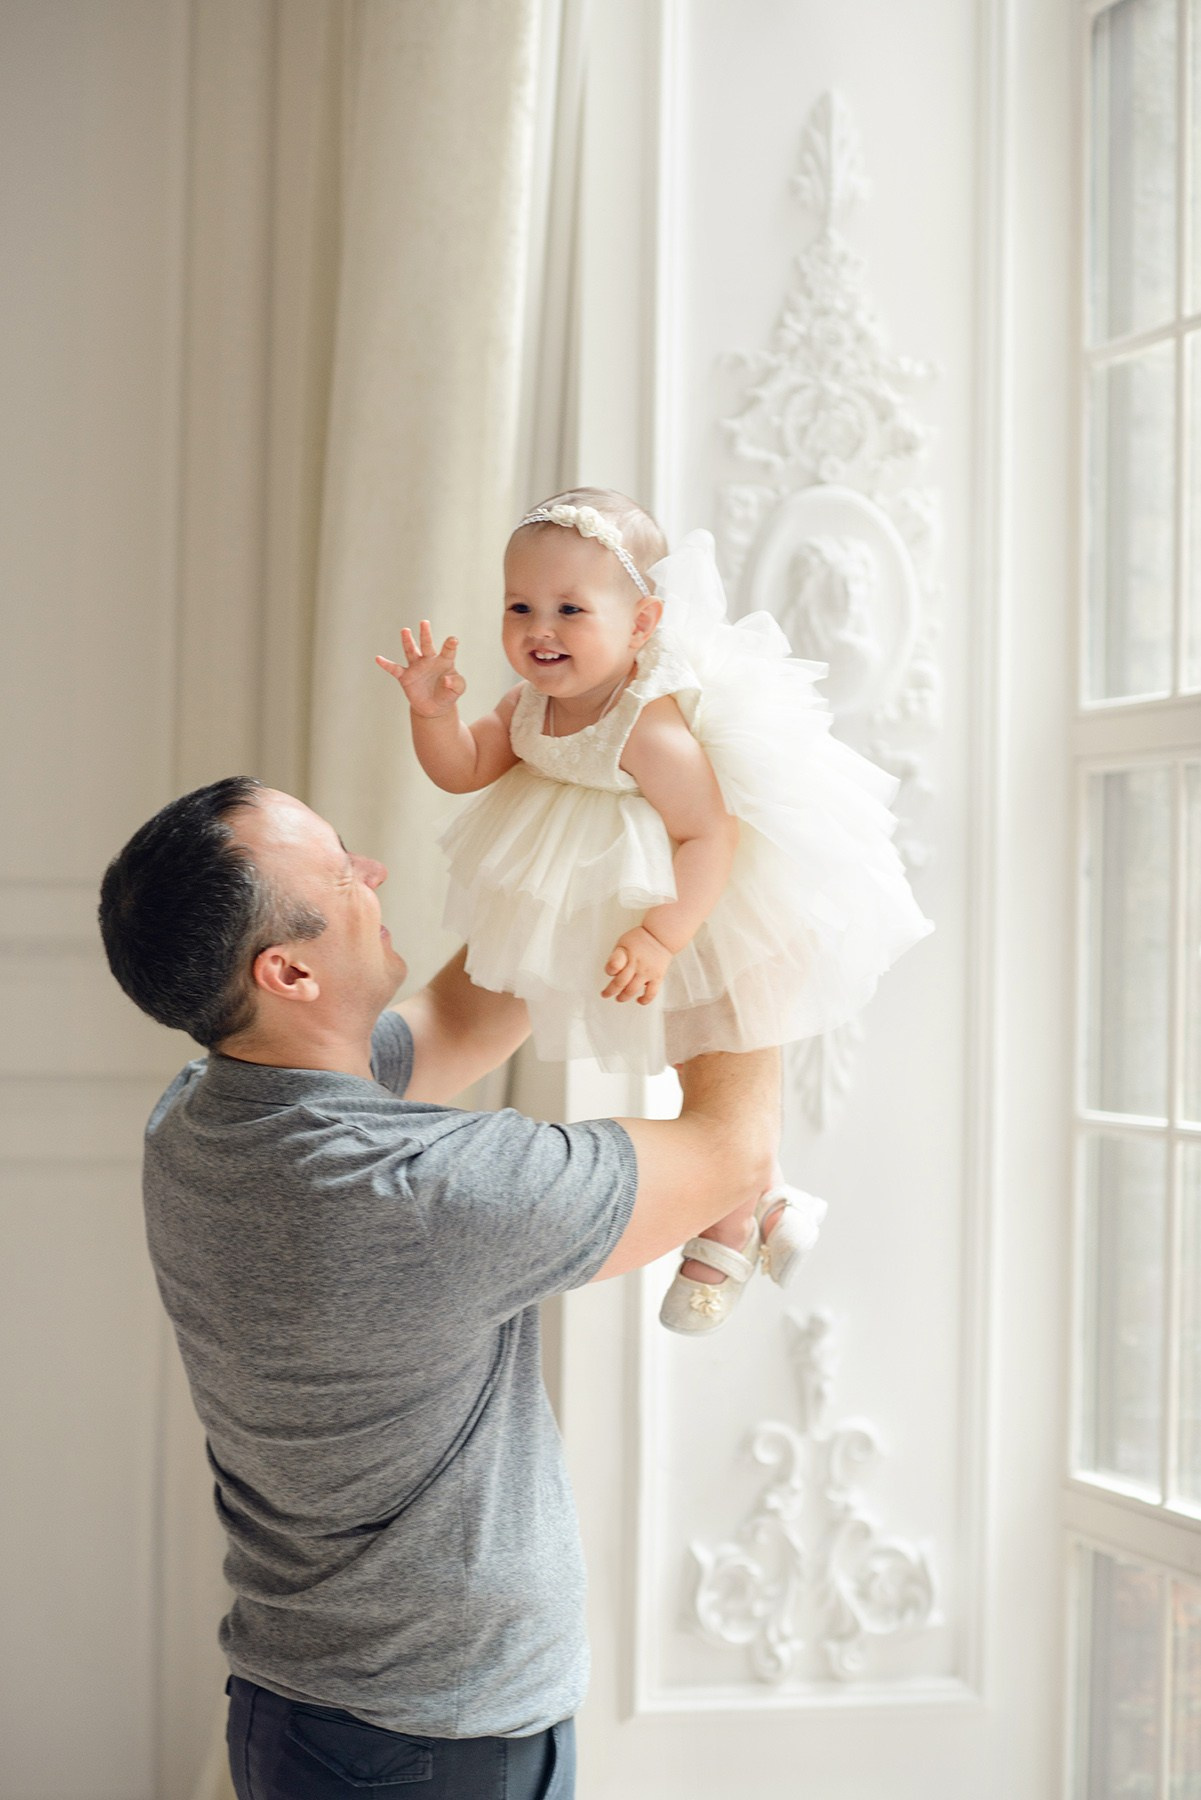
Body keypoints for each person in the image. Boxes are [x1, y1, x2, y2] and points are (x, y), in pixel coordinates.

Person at [98, 776, 779, 1800]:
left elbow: (463, 1015)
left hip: (310, 1711)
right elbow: (732, 1150)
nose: (374, 872)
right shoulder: (418, 1194)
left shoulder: (202, 1116)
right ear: (287, 971)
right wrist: (745, 918)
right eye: (342, 873)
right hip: (431, 1749)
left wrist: (590, 835)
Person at [376, 488, 931, 1332]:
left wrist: (662, 937)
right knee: (661, 1045)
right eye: (520, 607)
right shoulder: (526, 704)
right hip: (584, 873)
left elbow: (709, 834)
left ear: (640, 625)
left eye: (570, 609)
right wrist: (434, 713)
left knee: (699, 1042)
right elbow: (465, 768)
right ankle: (761, 1203)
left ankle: (739, 1209)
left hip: (683, 886)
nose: (540, 630)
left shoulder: (646, 725)